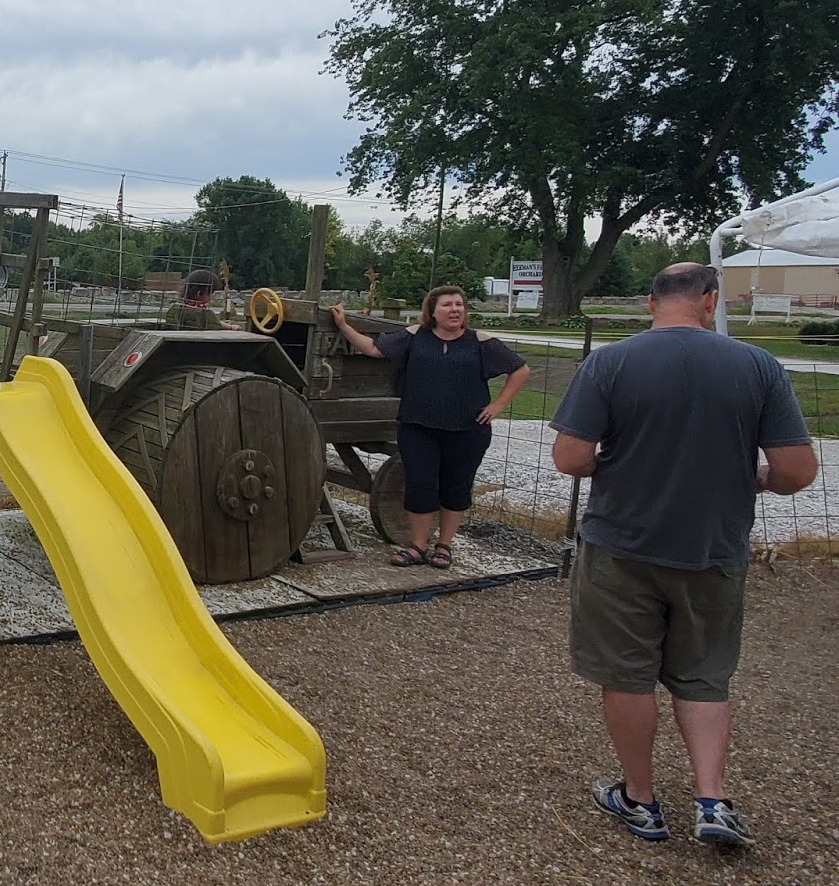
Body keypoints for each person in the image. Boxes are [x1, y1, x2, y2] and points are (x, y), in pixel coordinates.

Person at [551, 262, 816, 848]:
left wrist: (614, 465)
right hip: (714, 547)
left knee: (627, 675)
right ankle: (711, 799)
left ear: (651, 304)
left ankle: (641, 800)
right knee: (703, 677)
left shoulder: (611, 362)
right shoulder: (758, 366)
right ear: (710, 301)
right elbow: (798, 471)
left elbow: (570, 458)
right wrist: (760, 478)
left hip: (622, 544)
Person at [328, 286, 530, 569]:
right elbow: (373, 349)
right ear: (432, 311)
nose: (455, 310)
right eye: (447, 305)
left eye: (459, 304)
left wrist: (498, 405)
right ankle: (418, 546)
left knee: (456, 487)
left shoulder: (480, 342)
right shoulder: (414, 337)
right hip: (418, 428)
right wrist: (343, 325)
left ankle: (444, 546)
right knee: (420, 485)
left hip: (467, 431)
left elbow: (520, 370)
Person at [164, 268, 238, 330]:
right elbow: (215, 323)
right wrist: (230, 327)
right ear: (199, 294)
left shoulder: (181, 306)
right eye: (211, 292)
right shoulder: (201, 311)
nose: (213, 294)